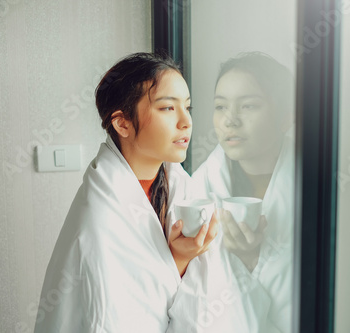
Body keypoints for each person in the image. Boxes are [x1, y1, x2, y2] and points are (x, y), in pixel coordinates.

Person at [33, 52, 218, 333]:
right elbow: (113, 319)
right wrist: (179, 259)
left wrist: (182, 257)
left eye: (187, 107)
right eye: (168, 108)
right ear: (122, 123)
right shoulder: (99, 220)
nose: (186, 122)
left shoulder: (180, 186)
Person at [191, 52, 295, 332]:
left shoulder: (325, 192)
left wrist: (252, 259)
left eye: (248, 106)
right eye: (220, 106)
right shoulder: (198, 191)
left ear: (286, 117)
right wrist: (243, 262)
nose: (230, 121)